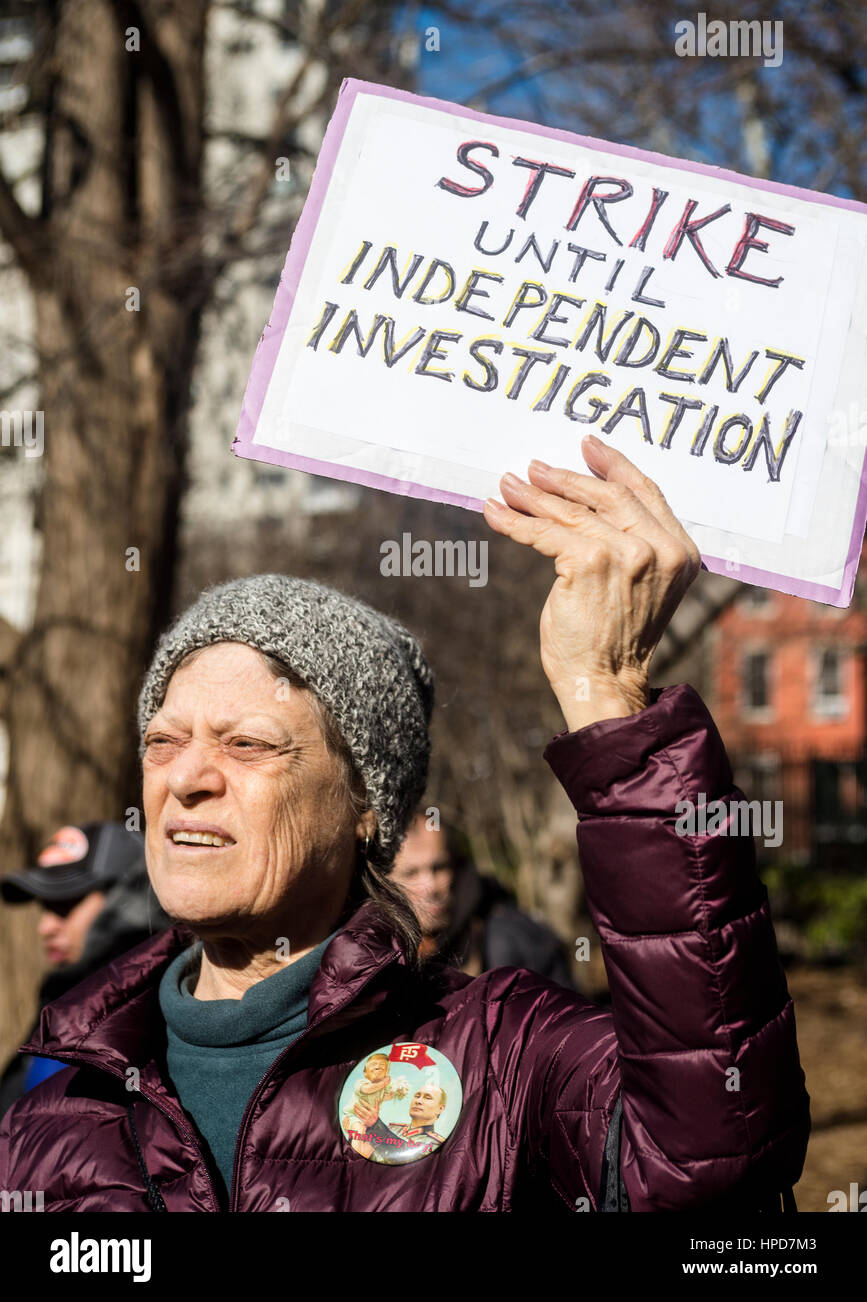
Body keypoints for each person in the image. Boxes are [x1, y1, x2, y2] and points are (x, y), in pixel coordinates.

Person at [0, 441, 810, 1211]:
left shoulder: (504, 1057)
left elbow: (710, 1159)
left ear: (365, 806)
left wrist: (604, 690)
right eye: (163, 741)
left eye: (247, 744)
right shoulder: (53, 1105)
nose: (185, 779)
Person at [0, 822, 169, 1115]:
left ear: (125, 899)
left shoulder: (162, 1013)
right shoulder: (65, 1000)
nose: (45, 927)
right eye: (45, 908)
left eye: (66, 905)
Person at [392, 808, 574, 984]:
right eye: (411, 873)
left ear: (456, 867)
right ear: (384, 882)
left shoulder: (514, 940)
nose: (430, 886)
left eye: (440, 868)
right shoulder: (376, 955)